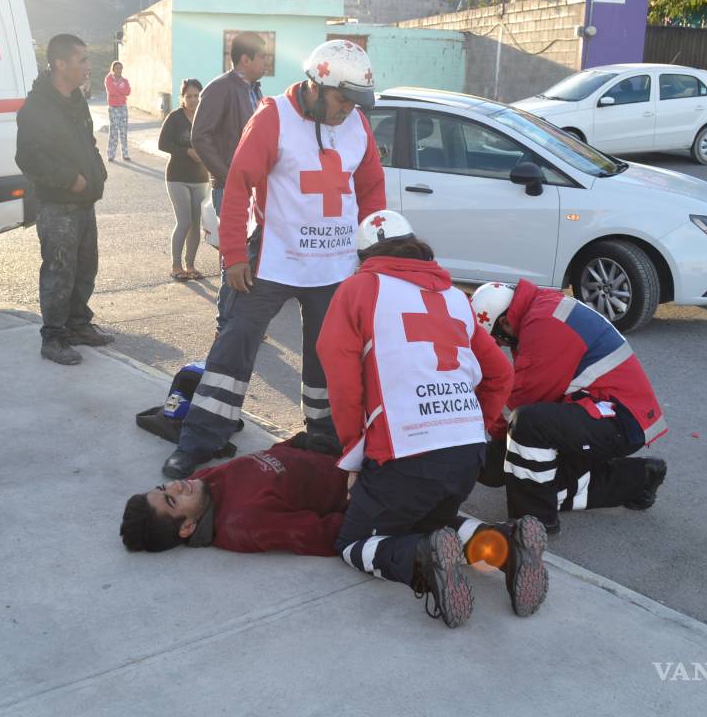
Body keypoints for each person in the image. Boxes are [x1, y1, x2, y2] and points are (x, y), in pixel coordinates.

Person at [159, 40, 388, 482]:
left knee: (329, 355)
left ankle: (323, 436)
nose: (348, 110)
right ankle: (199, 440)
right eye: (343, 99)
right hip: (272, 259)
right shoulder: (273, 118)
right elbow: (237, 185)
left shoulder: (357, 124)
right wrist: (232, 256)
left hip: (334, 266)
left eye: (355, 102)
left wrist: (372, 255)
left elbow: (371, 191)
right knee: (235, 344)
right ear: (316, 86)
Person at [315, 210, 547, 628]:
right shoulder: (455, 297)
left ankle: (421, 558)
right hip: (465, 454)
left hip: (406, 452)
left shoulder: (358, 289)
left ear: (365, 255)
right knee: (431, 520)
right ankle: (509, 548)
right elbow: (500, 374)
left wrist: (354, 457)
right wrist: (475, 426)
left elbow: (343, 382)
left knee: (354, 541)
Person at [121, 438, 550, 621]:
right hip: (363, 486)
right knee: (361, 542)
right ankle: (487, 549)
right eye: (172, 499)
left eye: (163, 487)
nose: (176, 484)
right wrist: (371, 514)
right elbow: (321, 535)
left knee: (424, 520)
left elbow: (273, 457)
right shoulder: (241, 524)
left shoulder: (203, 482)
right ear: (187, 528)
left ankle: (457, 549)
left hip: (359, 461)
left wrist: (301, 443)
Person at [469, 280, 669, 535]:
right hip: (608, 413)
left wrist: (497, 443)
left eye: (499, 339)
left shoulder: (543, 326)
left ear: (505, 323)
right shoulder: (538, 310)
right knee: (535, 480)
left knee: (528, 429)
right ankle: (640, 478)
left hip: (618, 420)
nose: (502, 346)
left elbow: (525, 401)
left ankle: (534, 523)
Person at [15, 33, 113, 365]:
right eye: (82, 59)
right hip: (58, 206)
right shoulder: (37, 107)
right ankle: (54, 338)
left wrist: (97, 170)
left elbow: (88, 142)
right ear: (61, 64)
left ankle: (78, 325)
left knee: (85, 268)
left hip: (85, 204)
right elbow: (29, 158)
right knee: (59, 271)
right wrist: (71, 180)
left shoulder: (75, 100)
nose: (88, 66)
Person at [190, 32, 267, 335]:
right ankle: (227, 326)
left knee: (252, 257)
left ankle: (242, 323)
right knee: (235, 256)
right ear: (245, 59)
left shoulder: (254, 90)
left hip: (254, 188)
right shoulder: (221, 89)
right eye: (262, 57)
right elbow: (200, 136)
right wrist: (227, 175)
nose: (266, 63)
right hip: (230, 188)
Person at [157, 78, 208, 281]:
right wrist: (186, 151)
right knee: (184, 221)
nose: (193, 99)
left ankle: (190, 265)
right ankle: (176, 265)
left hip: (201, 177)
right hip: (177, 177)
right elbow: (162, 144)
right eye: (189, 96)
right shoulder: (175, 118)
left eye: (197, 96)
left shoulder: (206, 117)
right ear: (182, 98)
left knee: (196, 223)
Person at [104, 61, 131, 162]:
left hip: (123, 107)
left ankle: (125, 154)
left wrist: (119, 90)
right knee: (114, 131)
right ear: (113, 69)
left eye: (120, 68)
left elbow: (128, 91)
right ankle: (111, 154)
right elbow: (111, 91)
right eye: (117, 68)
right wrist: (121, 91)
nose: (119, 70)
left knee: (123, 131)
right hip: (113, 107)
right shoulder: (109, 79)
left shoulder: (125, 81)